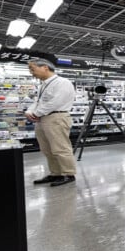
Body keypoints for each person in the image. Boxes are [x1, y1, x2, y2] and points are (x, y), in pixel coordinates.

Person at [25, 58, 77, 186]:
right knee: (47, 149)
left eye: (33, 69)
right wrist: (29, 111)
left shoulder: (62, 82)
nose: (32, 73)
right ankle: (55, 173)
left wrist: (36, 113)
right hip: (42, 119)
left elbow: (55, 102)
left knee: (60, 148)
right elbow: (38, 101)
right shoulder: (43, 84)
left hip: (56, 118)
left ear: (45, 67)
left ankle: (68, 174)